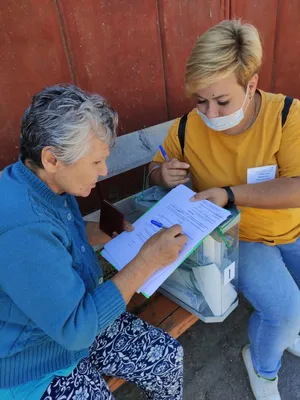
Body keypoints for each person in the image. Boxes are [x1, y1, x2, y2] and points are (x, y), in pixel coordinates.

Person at [0, 84, 187, 400]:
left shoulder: (42, 181)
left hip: (77, 314)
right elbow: (76, 328)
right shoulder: (20, 228)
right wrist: (147, 262)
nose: (104, 171)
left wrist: (108, 230)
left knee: (168, 358)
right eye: (95, 162)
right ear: (52, 158)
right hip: (35, 358)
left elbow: (58, 237)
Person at [149, 19, 300, 400]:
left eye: (222, 101)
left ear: (251, 84)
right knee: (283, 312)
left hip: (291, 228)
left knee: (292, 311)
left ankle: (283, 335)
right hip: (236, 237)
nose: (211, 115)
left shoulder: (287, 116)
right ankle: (264, 368)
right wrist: (160, 174)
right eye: (200, 100)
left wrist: (230, 194)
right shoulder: (186, 128)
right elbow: (155, 168)